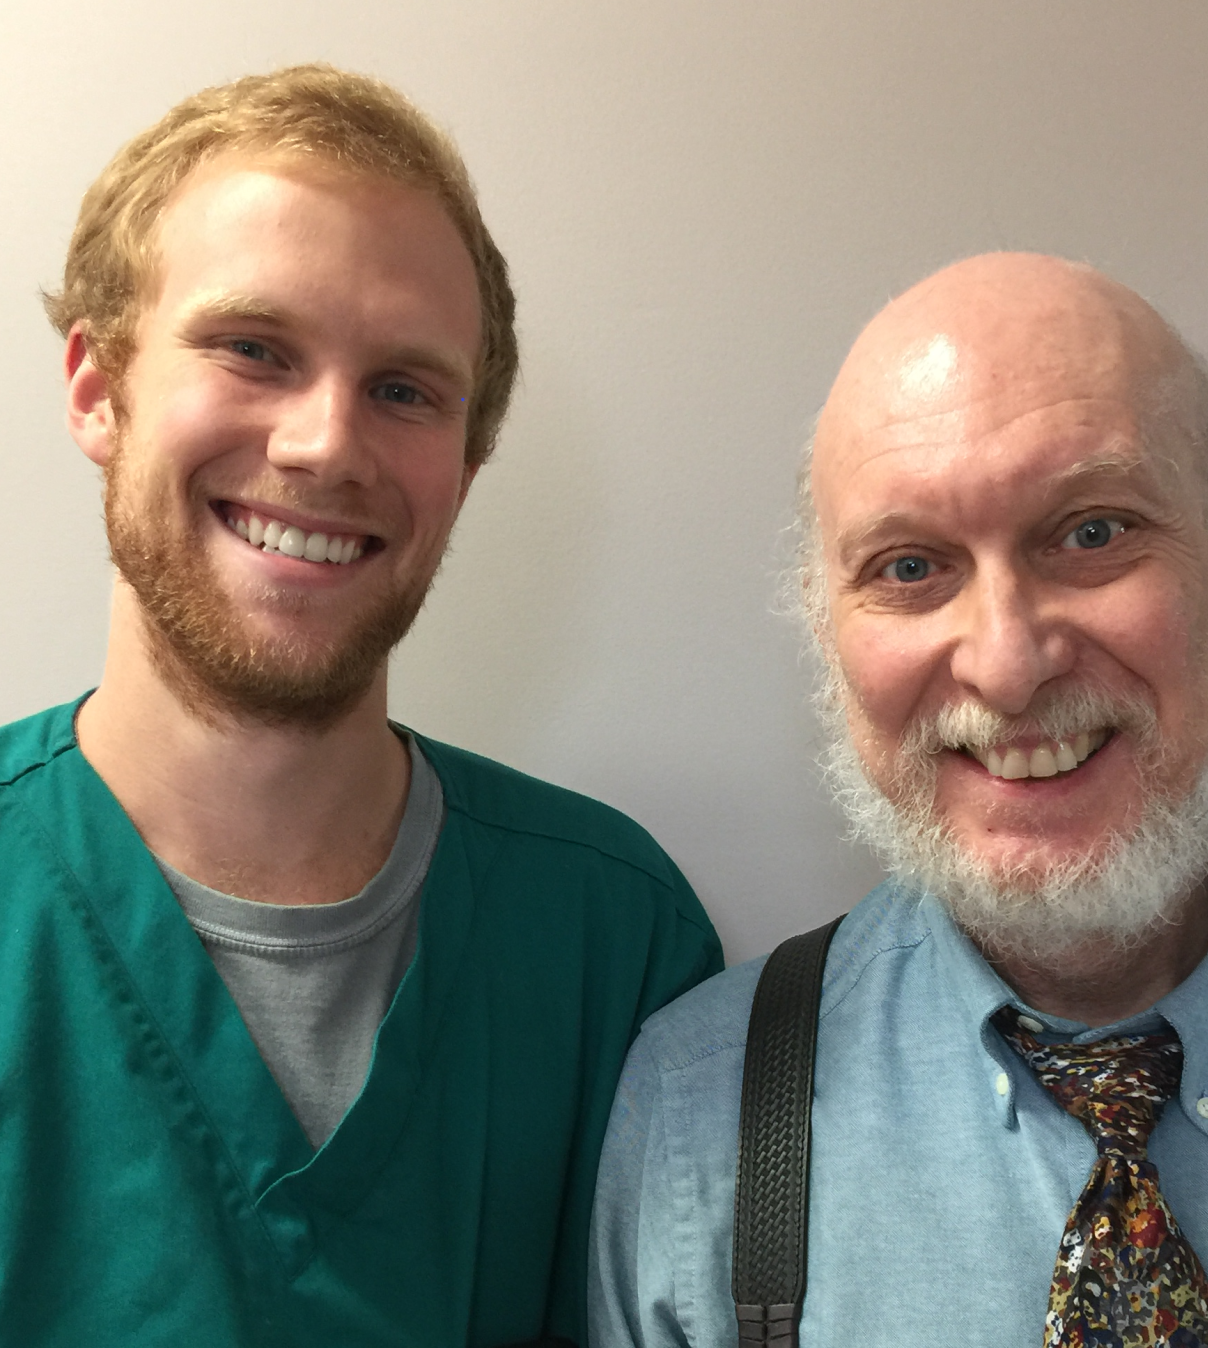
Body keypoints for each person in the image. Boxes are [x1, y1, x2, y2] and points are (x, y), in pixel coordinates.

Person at [1, 65, 722, 1347]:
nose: (325, 443)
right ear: (97, 389)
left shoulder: (614, 941)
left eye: (403, 388)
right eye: (251, 350)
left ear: (464, 461)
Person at [589, 253, 1208, 1346]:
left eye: (1091, 531)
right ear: (823, 629)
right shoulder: (703, 1110)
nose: (1005, 663)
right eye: (906, 567)